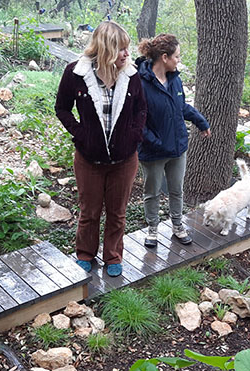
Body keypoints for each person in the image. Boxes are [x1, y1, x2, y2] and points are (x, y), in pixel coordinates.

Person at [54, 21, 147, 277]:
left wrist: (134, 135)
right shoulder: (75, 73)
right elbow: (62, 108)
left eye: (127, 49)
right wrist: (81, 134)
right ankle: (85, 254)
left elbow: (141, 109)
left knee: (117, 214)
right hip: (88, 159)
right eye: (121, 49)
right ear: (105, 49)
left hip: (124, 160)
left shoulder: (131, 74)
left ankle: (113, 257)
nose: (127, 55)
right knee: (89, 212)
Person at [135, 33, 211, 248]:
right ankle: (152, 229)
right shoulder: (140, 82)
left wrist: (201, 122)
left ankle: (178, 225)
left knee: (177, 190)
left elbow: (181, 107)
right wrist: (156, 143)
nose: (179, 60)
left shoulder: (174, 79)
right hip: (153, 151)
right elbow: (137, 122)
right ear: (165, 57)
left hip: (177, 148)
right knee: (152, 192)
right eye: (177, 56)